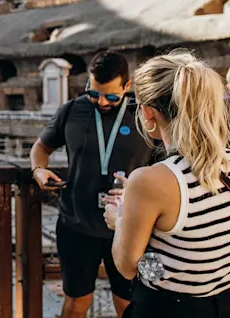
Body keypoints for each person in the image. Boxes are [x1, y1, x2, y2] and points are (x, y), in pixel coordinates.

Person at [30, 51, 155, 318]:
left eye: (111, 96)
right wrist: (38, 170)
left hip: (129, 228)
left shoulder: (144, 115)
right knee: (76, 304)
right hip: (77, 226)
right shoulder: (73, 110)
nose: (101, 102)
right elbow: (41, 147)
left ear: (127, 86)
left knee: (129, 306)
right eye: (94, 93)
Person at [104, 51, 230, 317]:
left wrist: (121, 217)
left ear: (148, 113)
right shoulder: (225, 163)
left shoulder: (149, 181)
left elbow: (127, 267)